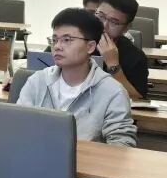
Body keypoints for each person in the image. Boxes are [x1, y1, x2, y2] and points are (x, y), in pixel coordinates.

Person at [17, 8, 136, 147]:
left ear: (90, 47)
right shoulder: (37, 81)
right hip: (35, 156)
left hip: (86, 160)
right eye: (54, 40)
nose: (57, 46)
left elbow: (122, 145)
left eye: (67, 40)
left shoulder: (113, 91)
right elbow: (17, 127)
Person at [94, 0, 149, 99]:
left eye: (114, 22)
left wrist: (113, 65)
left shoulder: (135, 57)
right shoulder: (75, 40)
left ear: (126, 28)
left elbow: (138, 100)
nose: (104, 26)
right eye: (101, 16)